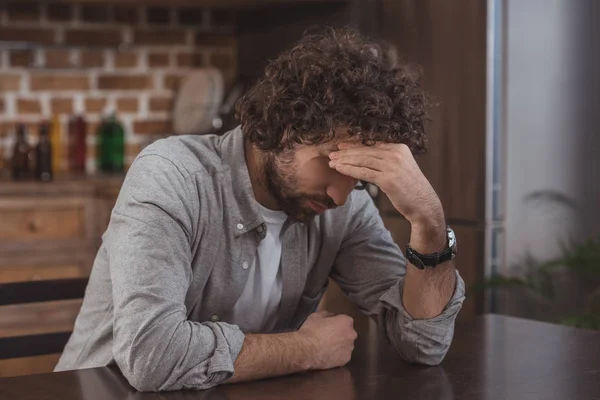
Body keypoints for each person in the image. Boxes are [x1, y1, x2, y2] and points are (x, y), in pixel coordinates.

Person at [55, 27, 465, 392]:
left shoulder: (346, 208)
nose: (341, 195)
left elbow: (424, 344)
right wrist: (305, 349)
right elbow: (151, 357)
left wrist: (429, 221)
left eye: (360, 175)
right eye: (332, 162)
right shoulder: (173, 175)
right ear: (286, 127)